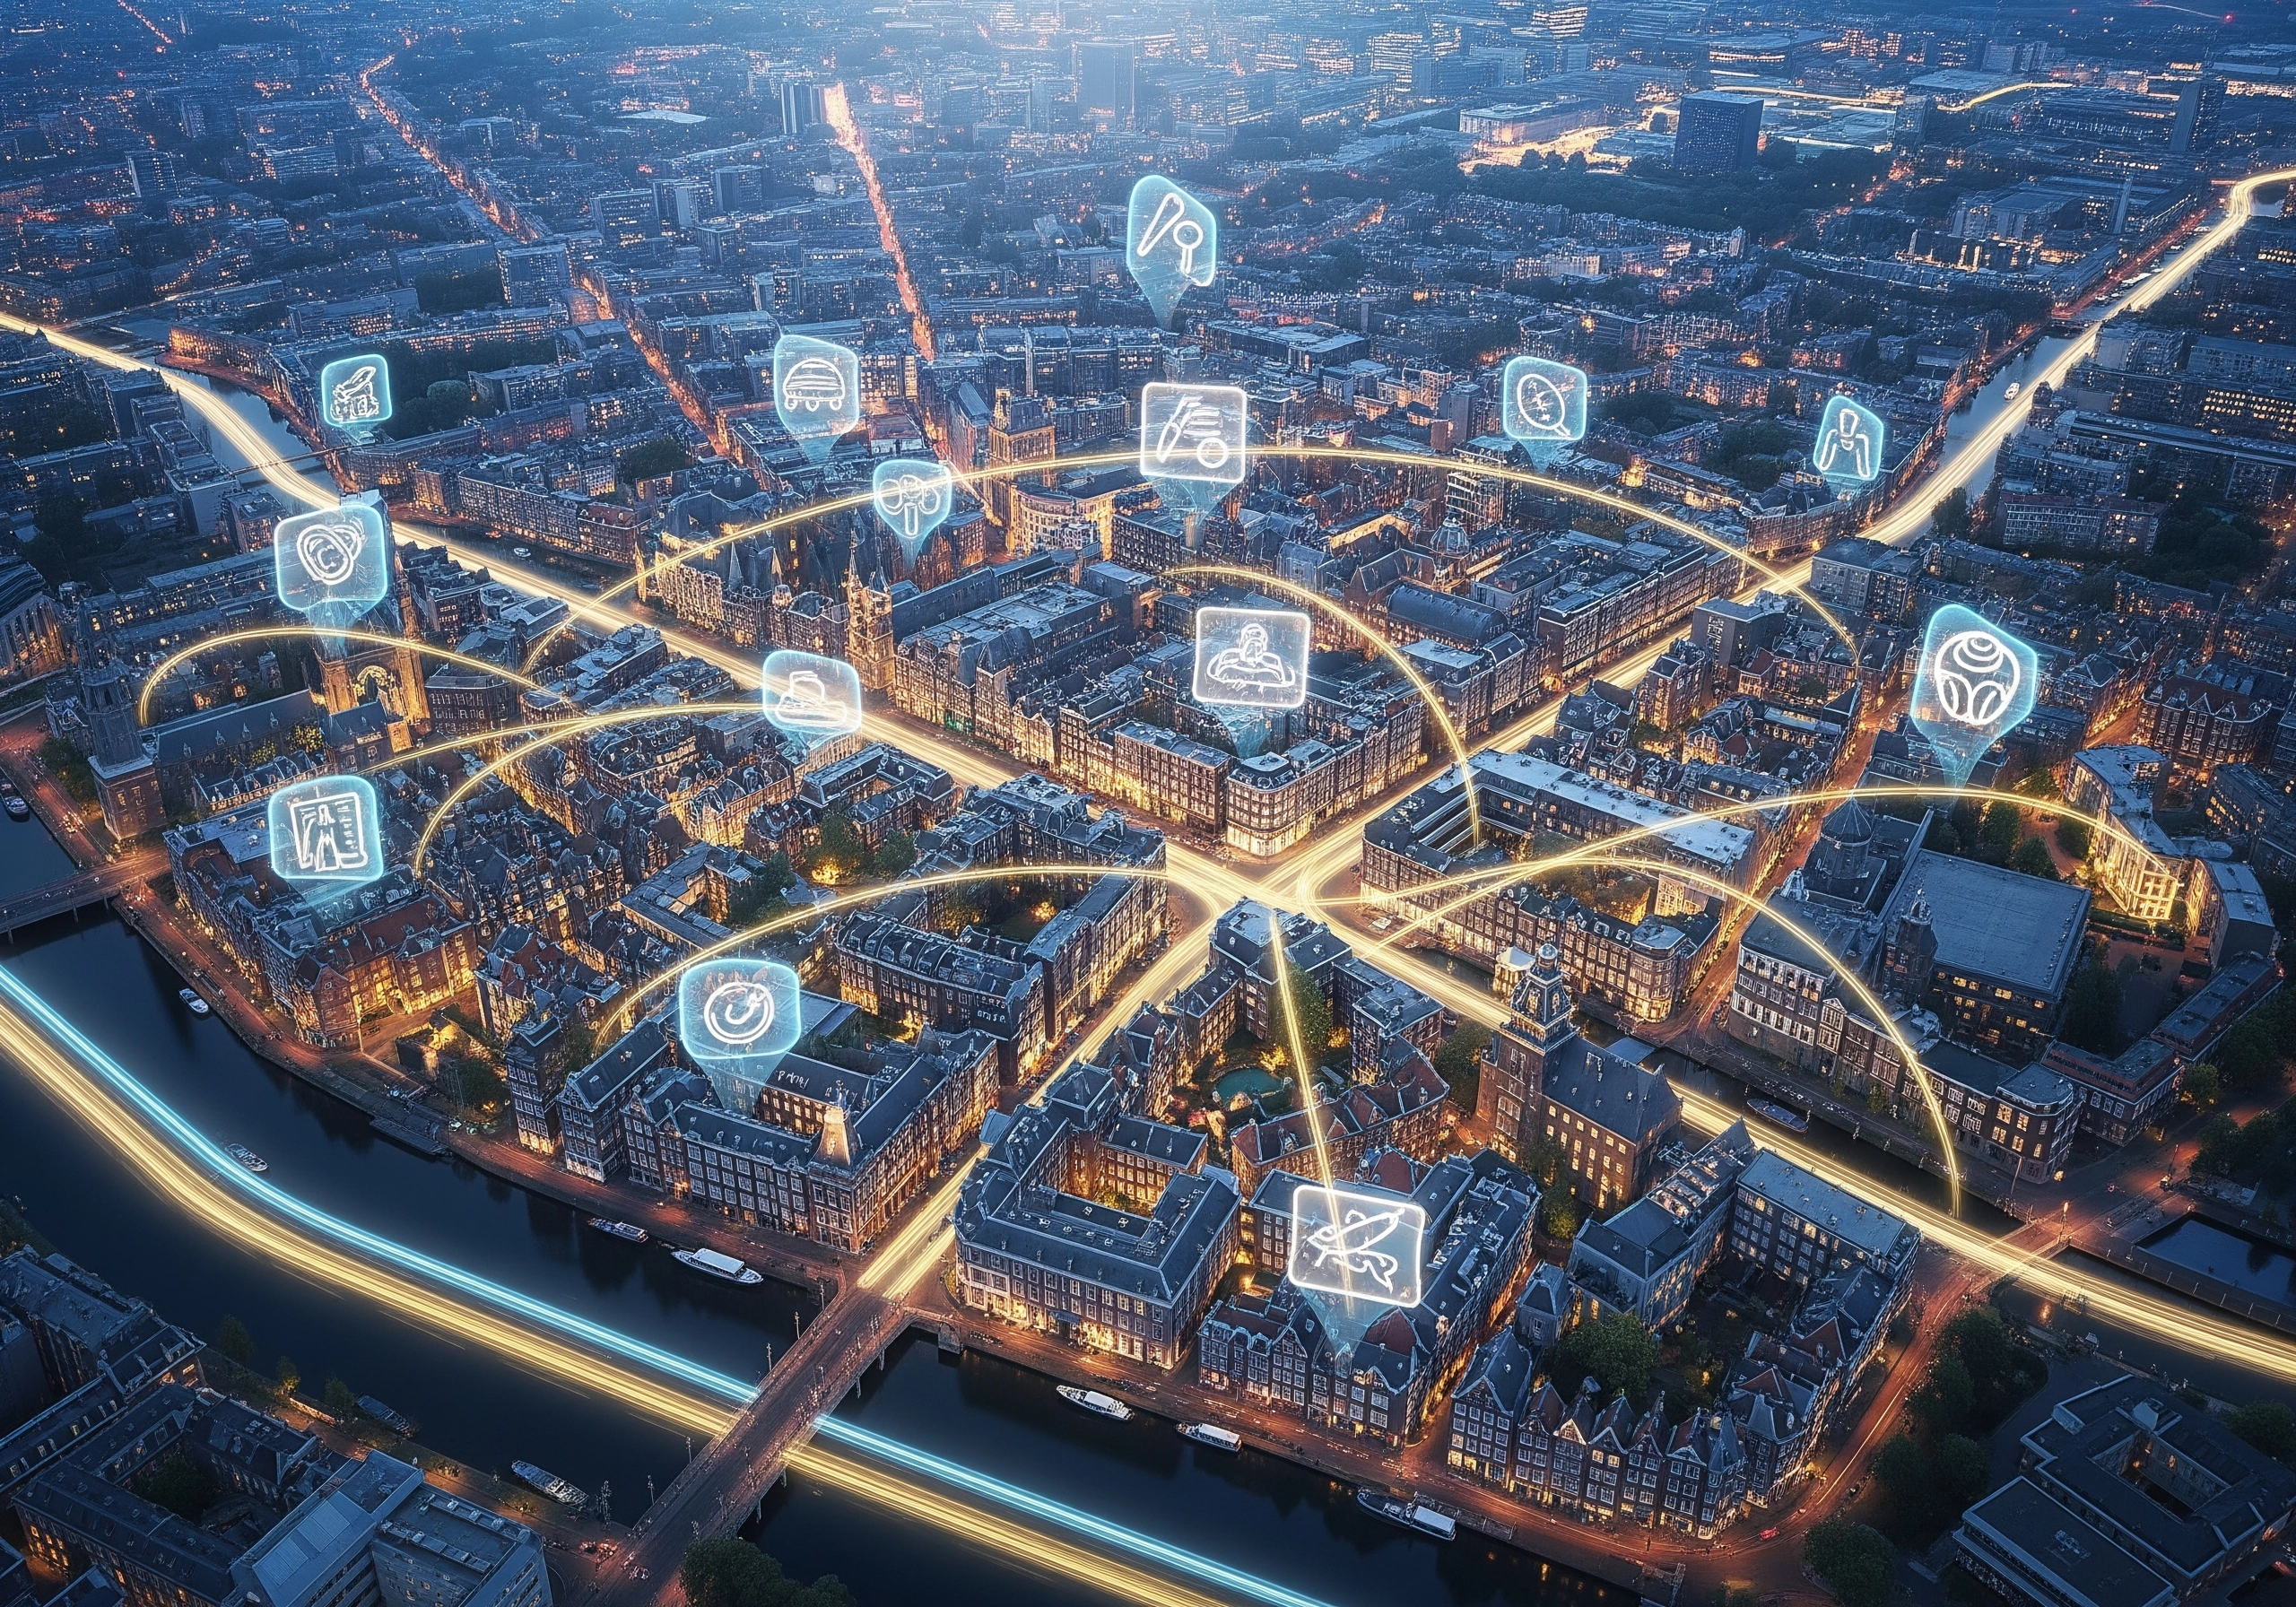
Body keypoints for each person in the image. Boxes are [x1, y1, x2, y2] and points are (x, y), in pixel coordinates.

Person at [1205, 621, 1298, 693]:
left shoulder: (1274, 665)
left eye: (1257, 647)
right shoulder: (1226, 659)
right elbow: (1213, 677)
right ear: (1241, 644)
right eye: (1249, 645)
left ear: (1264, 647)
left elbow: (1285, 683)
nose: (1253, 650)